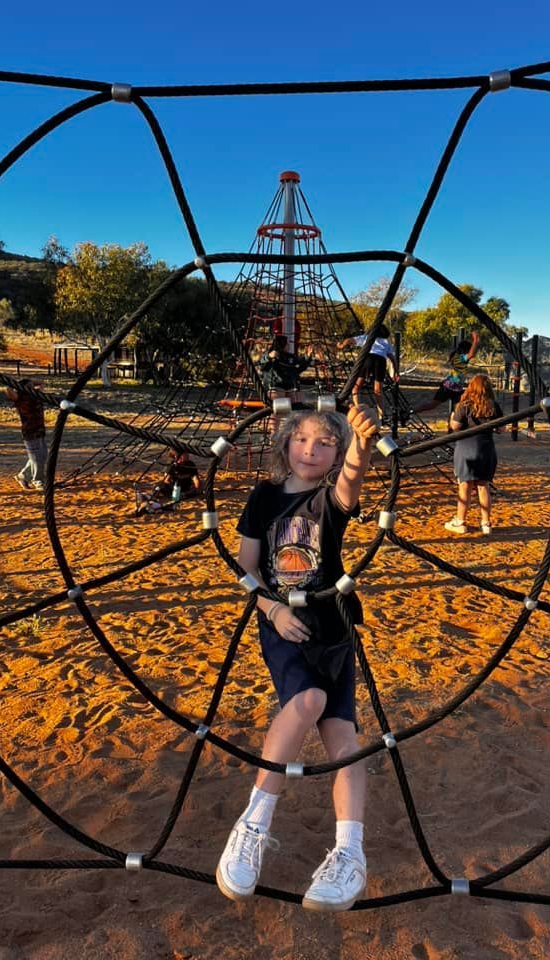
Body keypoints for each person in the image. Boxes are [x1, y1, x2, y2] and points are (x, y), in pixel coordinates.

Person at [216, 403, 378, 912]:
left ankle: (350, 854)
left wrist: (361, 446)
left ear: (335, 454)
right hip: (285, 624)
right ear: (285, 445)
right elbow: (245, 565)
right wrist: (270, 609)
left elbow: (351, 480)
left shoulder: (331, 498)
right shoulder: (264, 497)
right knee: (305, 699)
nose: (312, 449)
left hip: (334, 625)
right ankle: (253, 823)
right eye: (303, 439)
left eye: (325, 443)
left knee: (343, 738)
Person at [444, 374, 503, 536]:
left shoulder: (464, 405)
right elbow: (501, 429)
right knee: (483, 486)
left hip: (466, 449)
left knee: (465, 485)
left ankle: (460, 521)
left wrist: (451, 419)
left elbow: (455, 427)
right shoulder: (494, 406)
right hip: (486, 449)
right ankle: (486, 523)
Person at [337, 324, 399, 422]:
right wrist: (396, 371)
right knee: (378, 390)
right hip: (380, 361)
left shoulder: (366, 337)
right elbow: (392, 358)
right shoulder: (385, 342)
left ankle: (358, 410)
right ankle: (381, 415)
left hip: (368, 358)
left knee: (356, 387)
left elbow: (349, 340)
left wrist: (341, 345)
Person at [414, 331, 480, 417]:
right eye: (468, 350)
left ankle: (454, 425)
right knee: (434, 405)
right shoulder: (460, 358)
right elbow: (471, 354)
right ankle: (411, 411)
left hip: (454, 387)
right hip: (450, 386)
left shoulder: (458, 356)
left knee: (458, 407)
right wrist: (475, 340)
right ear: (464, 350)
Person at [5, 378, 47, 490]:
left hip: (40, 430)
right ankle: (38, 481)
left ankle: (23, 476)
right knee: (37, 458)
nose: (32, 387)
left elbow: (42, 383)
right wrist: (16, 384)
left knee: (41, 456)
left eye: (32, 386)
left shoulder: (37, 396)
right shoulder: (20, 398)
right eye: (29, 386)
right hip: (30, 432)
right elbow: (8, 389)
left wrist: (31, 382)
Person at [135, 448, 202, 515]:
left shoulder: (190, 464)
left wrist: (197, 489)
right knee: (159, 485)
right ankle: (152, 499)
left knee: (192, 492)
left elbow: (196, 480)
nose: (188, 455)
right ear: (178, 456)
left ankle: (154, 504)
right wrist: (173, 486)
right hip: (173, 488)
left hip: (184, 488)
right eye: (185, 454)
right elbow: (166, 479)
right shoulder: (172, 464)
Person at [260, 334, 314, 402]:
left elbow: (299, 368)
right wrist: (269, 357)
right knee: (280, 401)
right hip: (275, 386)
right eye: (287, 344)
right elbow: (262, 365)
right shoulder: (270, 355)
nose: (288, 345)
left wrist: (308, 357)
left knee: (299, 399)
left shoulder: (290, 357)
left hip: (290, 386)